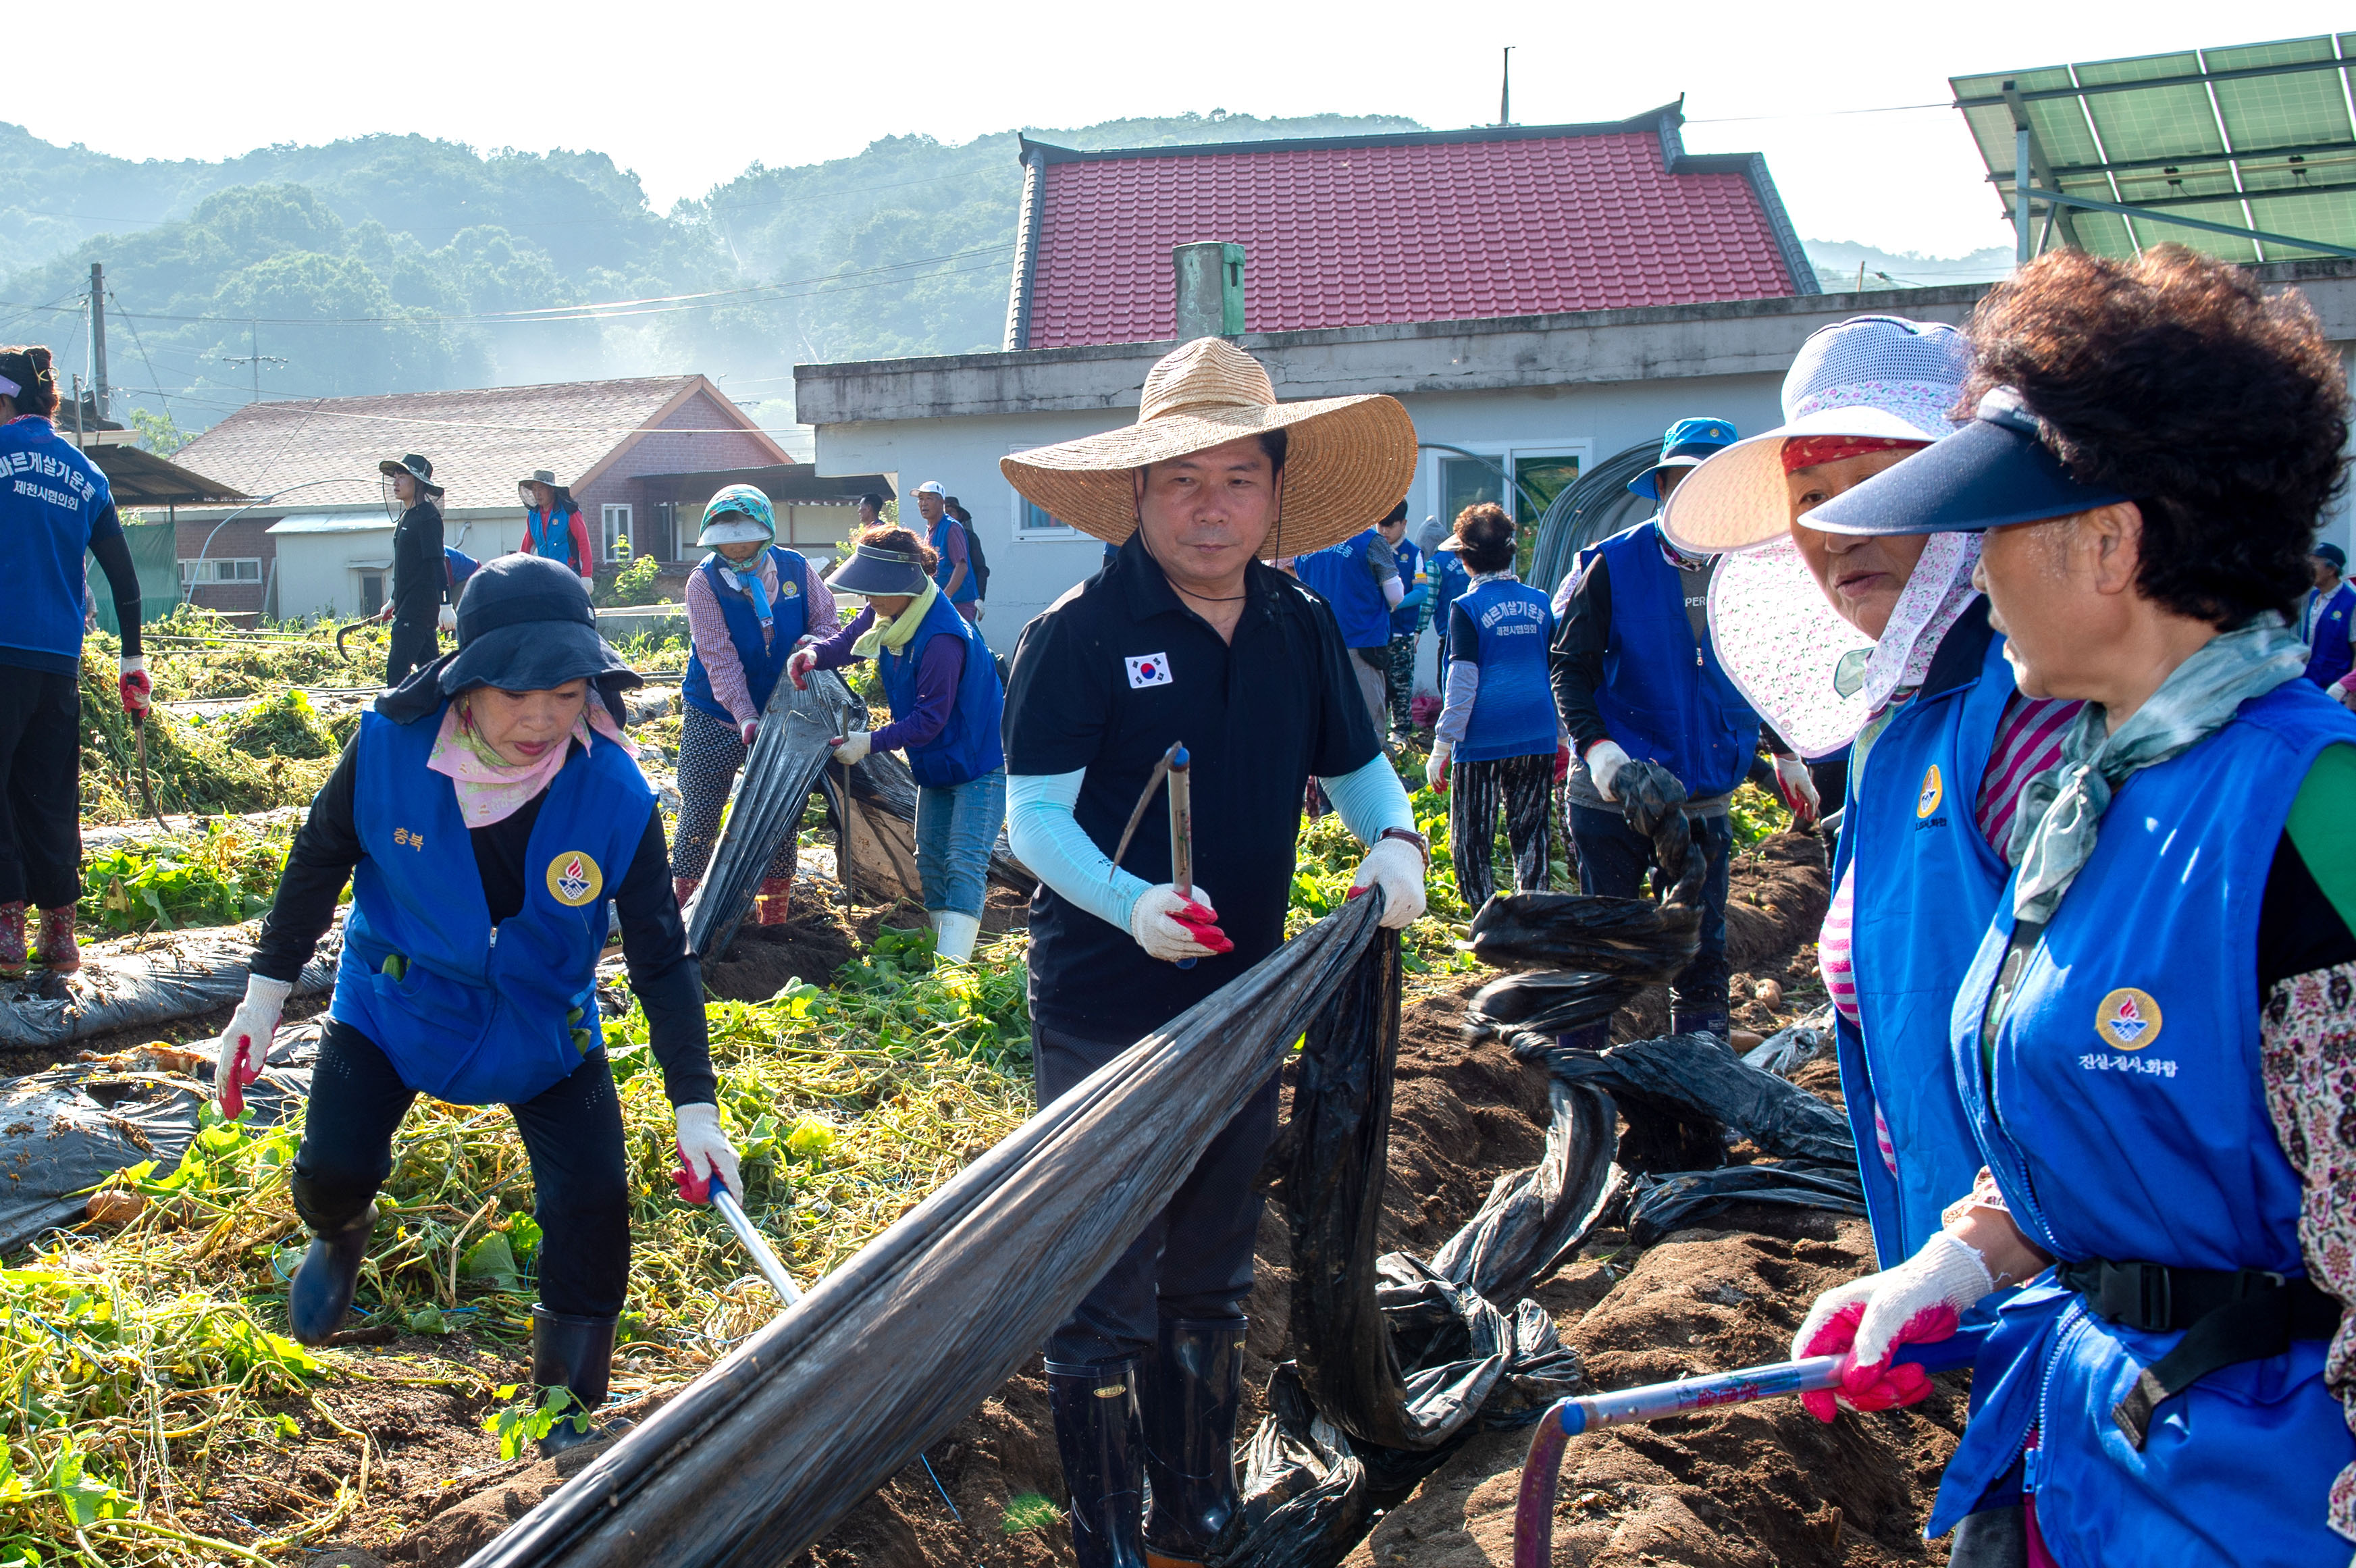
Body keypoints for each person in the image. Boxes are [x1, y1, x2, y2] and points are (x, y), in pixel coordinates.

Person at [1787, 247, 2356, 1568]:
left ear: (2106, 543)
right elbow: (2095, 1122)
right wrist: (1952, 1266)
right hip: (2092, 1454)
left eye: (1993, 533)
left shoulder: (2304, 815)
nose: (1973, 572)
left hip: (2259, 1500)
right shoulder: (2098, 794)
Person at [995, 336, 1429, 1568]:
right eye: (1181, 480)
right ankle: (1101, 1536)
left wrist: (1393, 839)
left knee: (1213, 1265)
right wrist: (1127, 899)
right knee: (1102, 1272)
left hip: (1242, 998)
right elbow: (1031, 816)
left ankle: (1192, 1511)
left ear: (1273, 490)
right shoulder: (1080, 632)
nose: (1209, 506)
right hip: (1104, 1002)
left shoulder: (1294, 621)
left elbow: (1353, 764)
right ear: (1135, 492)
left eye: (1237, 479)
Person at [208, 554, 741, 1455]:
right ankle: (339, 1234)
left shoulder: (612, 791)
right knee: (332, 1164)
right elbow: (316, 858)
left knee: (595, 1206)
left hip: (544, 1027)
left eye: (570, 692)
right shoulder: (386, 750)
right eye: (516, 691)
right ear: (465, 683)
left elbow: (659, 949)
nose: (543, 718)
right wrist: (259, 1004)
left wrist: (695, 1104)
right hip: (394, 1005)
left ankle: (564, 1404)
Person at [1662, 315, 2076, 1270]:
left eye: (1884, 486)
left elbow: (2106, 1040)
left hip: (2060, 1282)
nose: (1841, 529)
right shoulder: (1906, 722)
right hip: (1976, 1271)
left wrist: (1974, 1257)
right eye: (1811, 495)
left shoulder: (2021, 716)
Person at [1549, 415, 1809, 1042]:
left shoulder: (1749, 572)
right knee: (1606, 948)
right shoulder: (1610, 565)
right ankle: (1582, 1087)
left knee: (1700, 949)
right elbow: (1568, 666)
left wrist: (1784, 751)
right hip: (1616, 796)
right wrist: (1598, 748)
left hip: (1702, 795)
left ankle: (1699, 1080)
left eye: (1711, 486)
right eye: (1682, 483)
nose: (1695, 498)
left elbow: (1762, 667)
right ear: (1663, 488)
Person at [785, 526, 1003, 962]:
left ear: (905, 583)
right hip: (936, 764)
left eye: (877, 594)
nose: (870, 604)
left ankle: (954, 971)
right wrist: (814, 656)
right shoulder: (895, 611)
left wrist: (867, 743)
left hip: (976, 764)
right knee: (931, 859)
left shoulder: (940, 636)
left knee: (963, 859)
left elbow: (929, 719)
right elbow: (850, 639)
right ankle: (948, 960)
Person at [0, 344, 148, 976]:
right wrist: (131, 661)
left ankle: (5, 933)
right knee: (49, 794)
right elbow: (125, 581)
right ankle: (59, 935)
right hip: (59, 663)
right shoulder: (87, 475)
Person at [675, 485, 841, 923]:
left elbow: (827, 620)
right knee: (701, 807)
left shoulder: (795, 569)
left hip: (786, 709)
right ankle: (682, 913)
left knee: (779, 813)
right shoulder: (704, 582)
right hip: (715, 710)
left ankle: (773, 919)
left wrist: (814, 643)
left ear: (764, 533)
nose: (737, 548)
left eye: (745, 539)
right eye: (727, 541)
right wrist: (745, 716)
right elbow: (718, 654)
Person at [1427, 504, 1559, 908]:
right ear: (1511, 552)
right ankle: (1534, 915)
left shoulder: (1466, 608)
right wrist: (1565, 735)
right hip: (1538, 731)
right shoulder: (1541, 603)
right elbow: (1555, 672)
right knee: (1531, 830)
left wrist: (1442, 745)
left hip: (1483, 736)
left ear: (1465, 560)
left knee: (1471, 836)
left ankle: (1487, 920)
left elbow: (1463, 680)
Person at [1292, 502, 1406, 733]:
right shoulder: (1371, 541)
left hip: (1318, 644)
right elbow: (1395, 595)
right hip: (1362, 643)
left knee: (1326, 723)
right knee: (1367, 725)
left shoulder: (1306, 544)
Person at [376, 454, 446, 688]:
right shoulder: (408, 517)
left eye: (402, 476)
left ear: (417, 482)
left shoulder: (427, 518)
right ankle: (437, 723)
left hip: (415, 615)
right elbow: (410, 568)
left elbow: (437, 563)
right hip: (412, 611)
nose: (395, 482)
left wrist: (446, 605)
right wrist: (394, 599)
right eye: (394, 477)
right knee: (433, 682)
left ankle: (394, 723)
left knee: (395, 680)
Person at [1379, 503, 1425, 741]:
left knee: (1401, 688)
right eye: (1380, 525)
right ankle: (1378, 736)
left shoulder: (1414, 553)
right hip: (1375, 635)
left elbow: (1421, 592)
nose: (1384, 531)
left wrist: (1395, 604)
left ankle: (1401, 735)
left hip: (1401, 635)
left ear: (1404, 524)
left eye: (1390, 526)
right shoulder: (1372, 549)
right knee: (1377, 689)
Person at [910, 480, 980, 624]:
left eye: (929, 498)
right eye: (921, 498)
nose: (923, 503)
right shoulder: (930, 531)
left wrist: (946, 597)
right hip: (941, 603)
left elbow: (962, 567)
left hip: (957, 603)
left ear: (941, 502)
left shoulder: (952, 528)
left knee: (967, 643)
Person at [517, 469, 595, 590]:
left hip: (570, 574)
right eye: (535, 489)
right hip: (545, 575)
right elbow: (527, 547)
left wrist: (586, 576)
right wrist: (518, 571)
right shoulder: (533, 515)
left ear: (551, 489)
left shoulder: (569, 512)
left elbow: (583, 543)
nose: (537, 494)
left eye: (541, 488)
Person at [2301, 541, 2355, 699]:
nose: (2309, 570)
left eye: (2314, 564)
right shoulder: (2314, 597)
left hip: (2335, 688)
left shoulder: (2351, 603)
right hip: (2310, 681)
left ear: (2332, 569)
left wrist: (2351, 692)